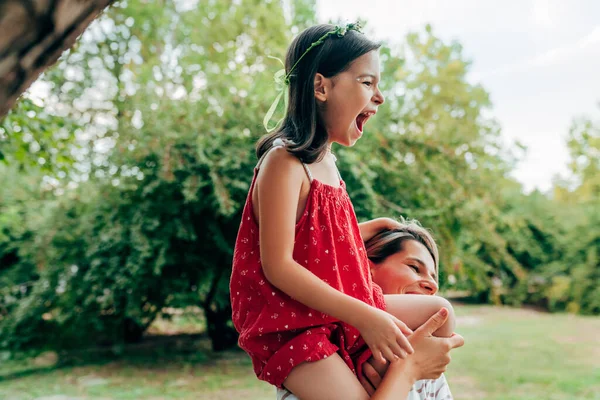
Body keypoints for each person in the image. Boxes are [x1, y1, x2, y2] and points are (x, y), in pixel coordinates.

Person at [230, 22, 461, 399]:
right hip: (292, 324)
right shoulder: (284, 162)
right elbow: (279, 265)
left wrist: (368, 228)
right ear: (321, 86)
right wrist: (368, 317)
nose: (380, 96)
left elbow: (320, 235)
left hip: (342, 298)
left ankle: (386, 377)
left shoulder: (329, 163)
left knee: (441, 312)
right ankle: (395, 378)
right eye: (367, 82)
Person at [277, 220, 460, 400]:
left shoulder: (426, 366)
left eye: (434, 277)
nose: (432, 285)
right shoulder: (316, 364)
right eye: (414, 267)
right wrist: (406, 372)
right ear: (364, 268)